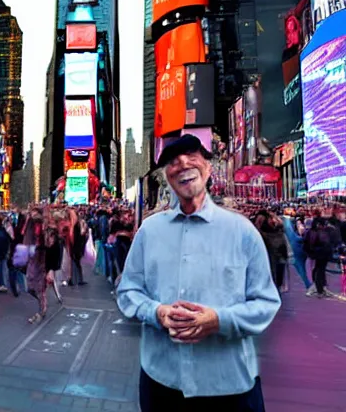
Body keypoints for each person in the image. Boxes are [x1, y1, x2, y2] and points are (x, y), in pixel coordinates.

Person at [117, 134, 281, 411]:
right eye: (171, 161)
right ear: (167, 177)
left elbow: (266, 303)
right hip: (161, 382)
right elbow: (128, 291)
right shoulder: (149, 231)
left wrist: (218, 320)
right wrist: (156, 312)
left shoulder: (242, 232)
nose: (181, 163)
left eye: (192, 155)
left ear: (207, 167)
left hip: (228, 387)